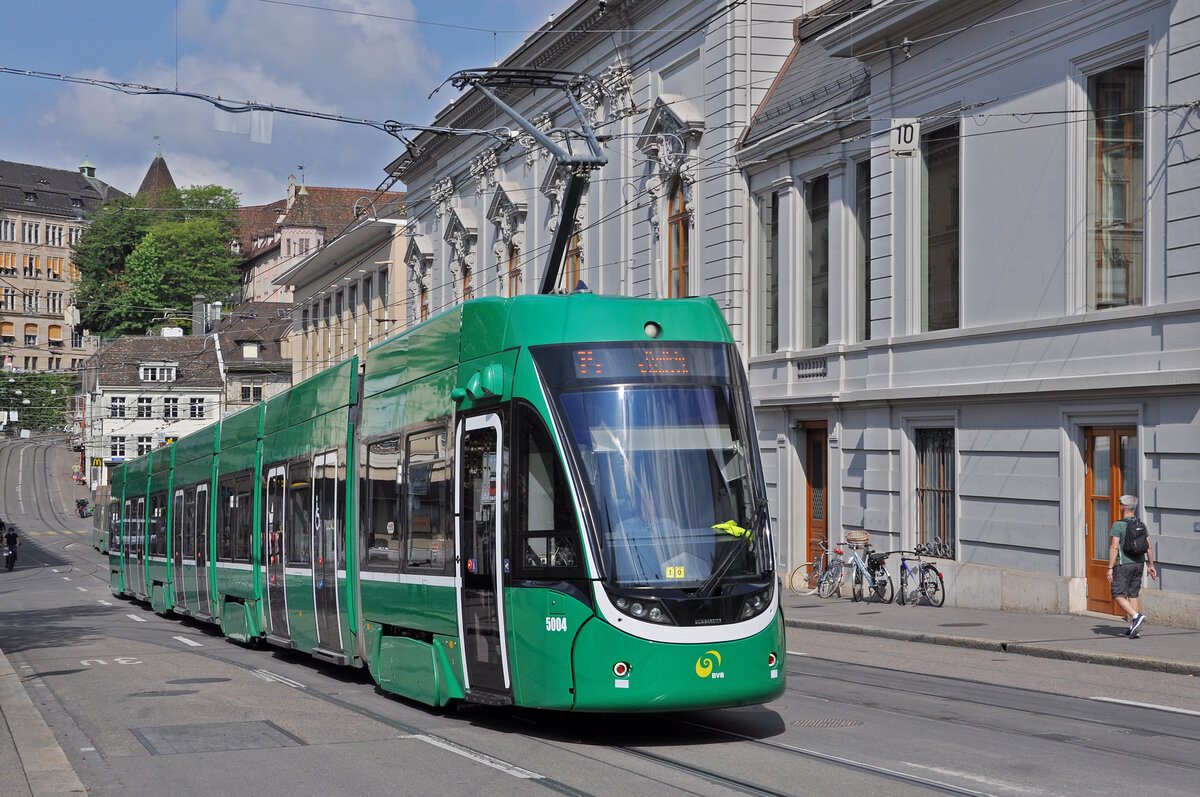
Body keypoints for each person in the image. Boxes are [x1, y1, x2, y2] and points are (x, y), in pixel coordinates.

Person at [1106, 495, 1157, 638]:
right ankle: (1135, 628)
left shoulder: (1118, 525)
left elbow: (1114, 547)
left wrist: (1110, 568)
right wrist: (1151, 565)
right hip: (1139, 564)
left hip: (1124, 565)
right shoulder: (1141, 524)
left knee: (1117, 594)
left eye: (1120, 504)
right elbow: (1149, 546)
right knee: (1133, 595)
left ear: (1123, 507)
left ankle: (1136, 616)